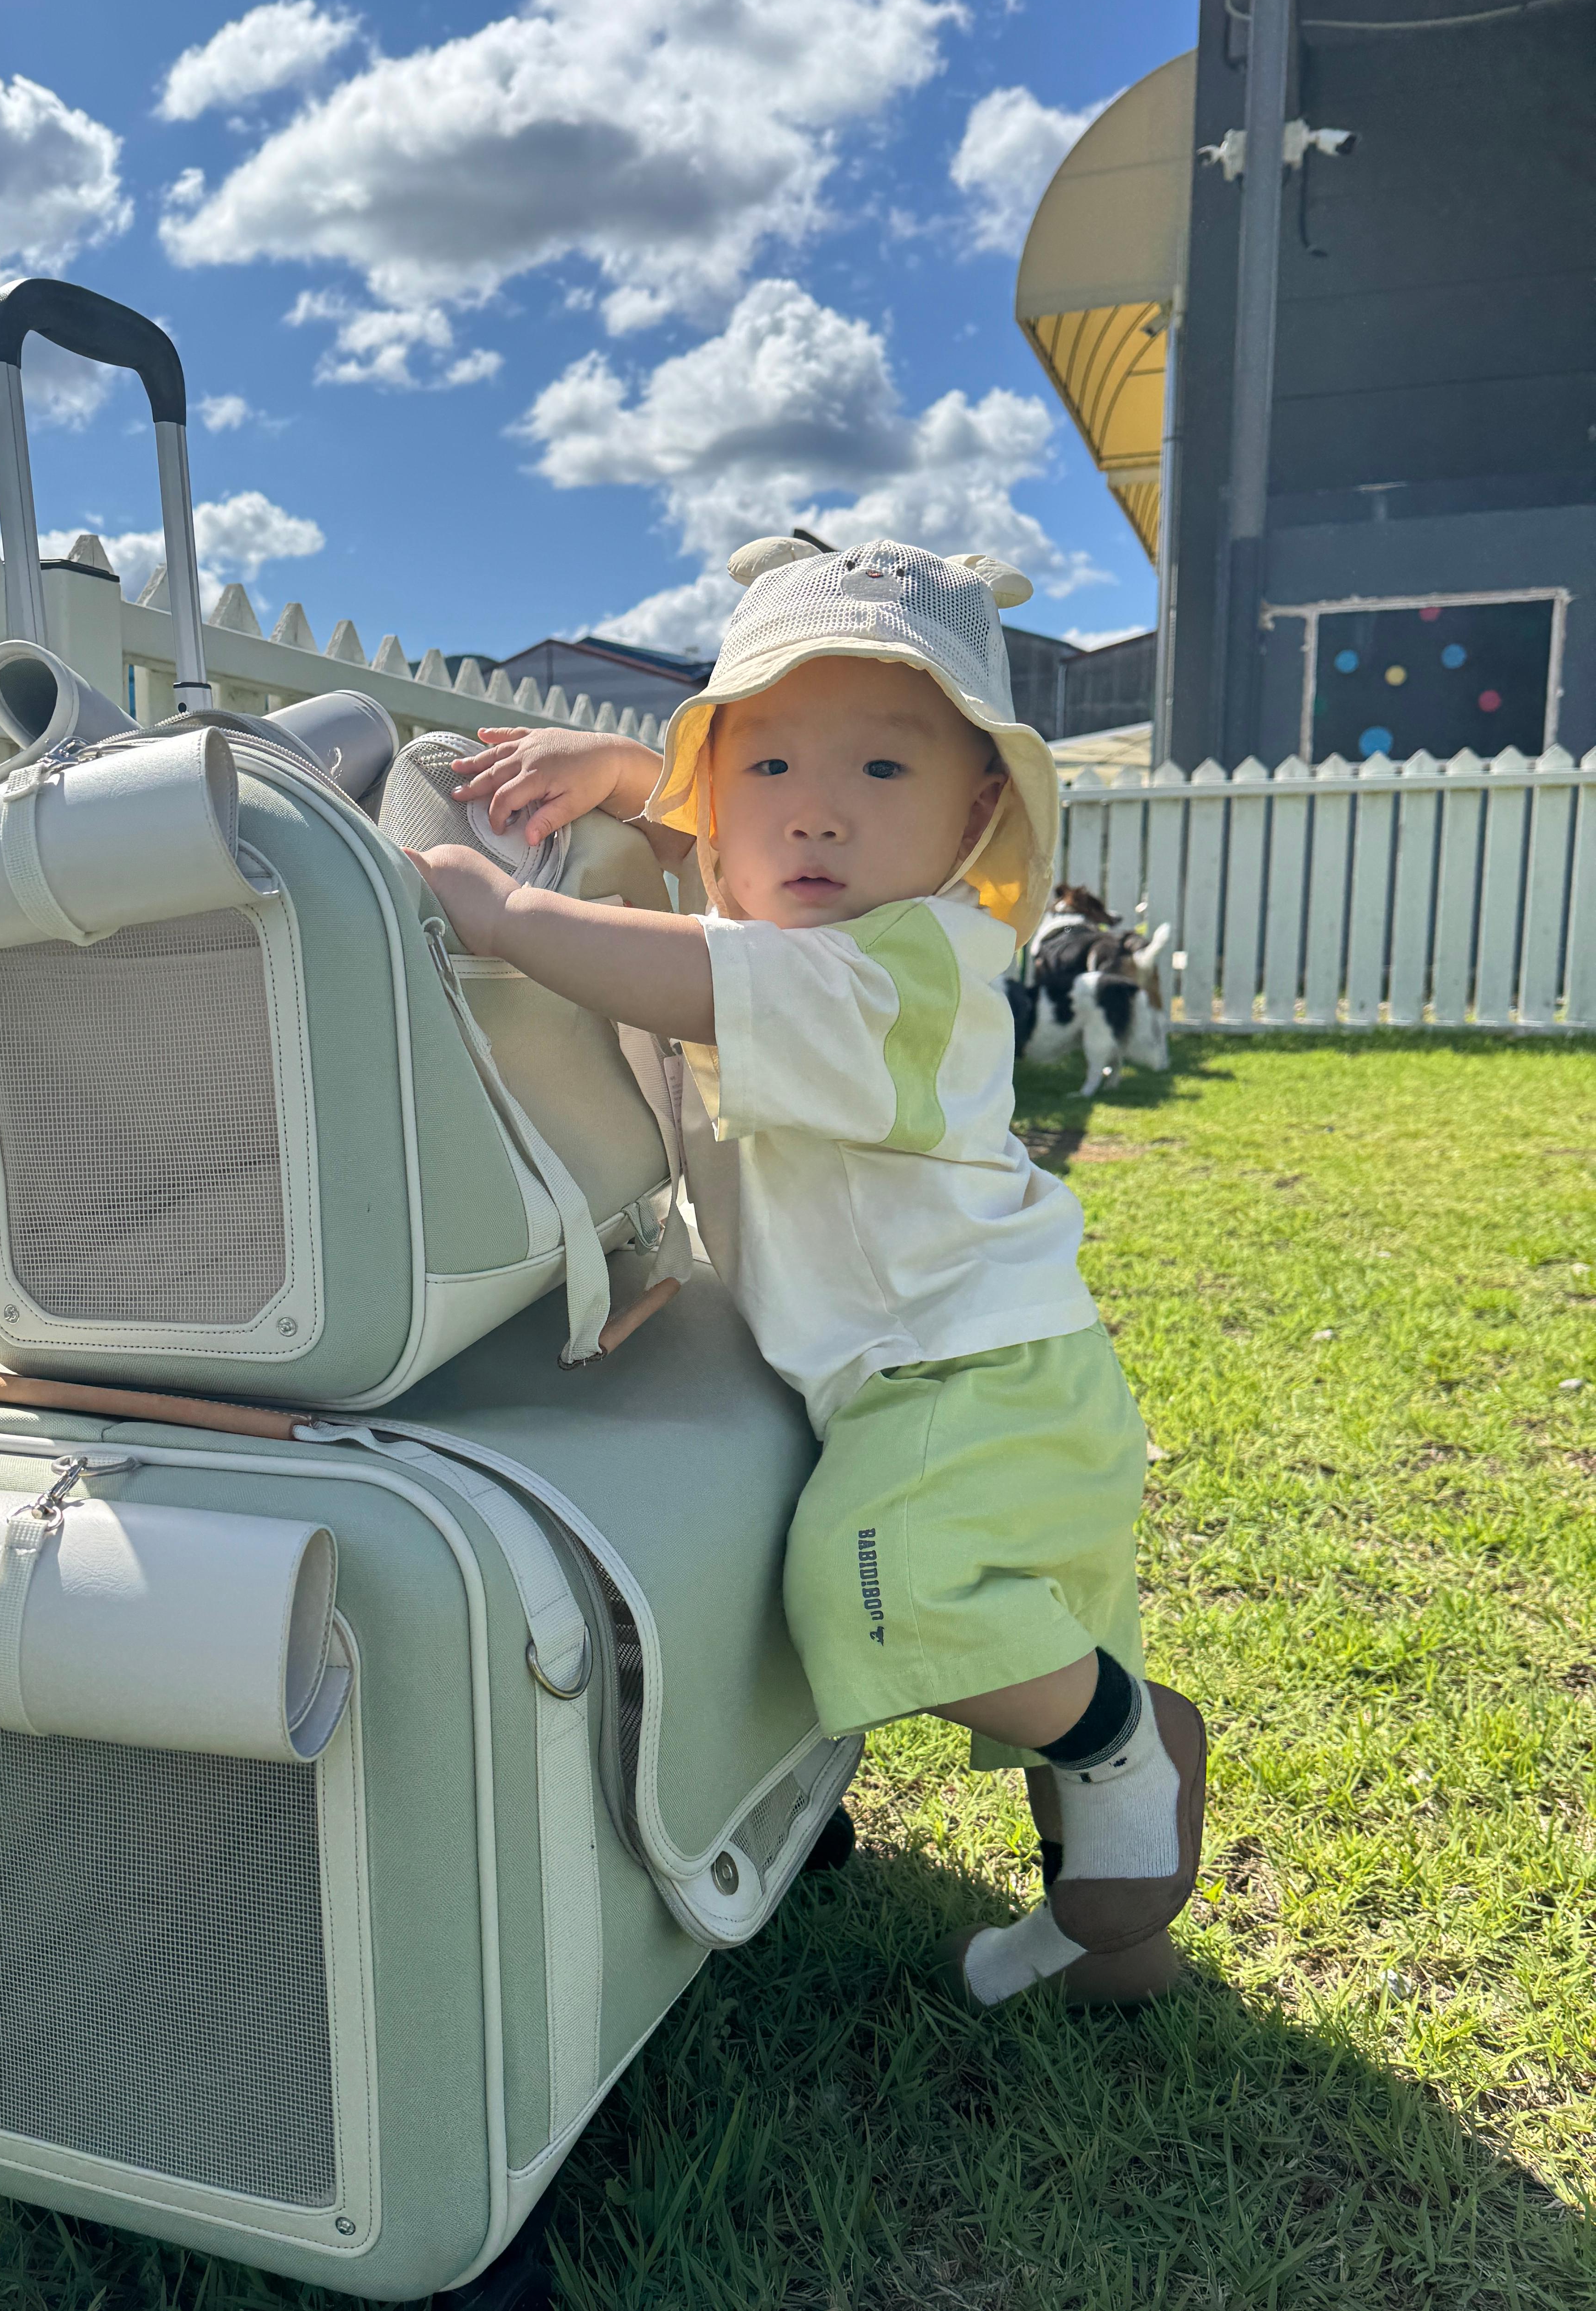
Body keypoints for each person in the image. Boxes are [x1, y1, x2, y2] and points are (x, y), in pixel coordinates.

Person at [406, 536, 1204, 2007]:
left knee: (874, 1594)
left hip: (964, 1381)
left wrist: (502, 915)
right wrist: (630, 775)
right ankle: (1112, 1934)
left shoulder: (899, 965)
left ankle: (1121, 1744)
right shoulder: (801, 926)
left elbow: (686, 971)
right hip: (985, 1366)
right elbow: (714, 885)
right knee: (1044, 1644)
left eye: (882, 770)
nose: (815, 810)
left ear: (978, 811)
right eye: (765, 767)